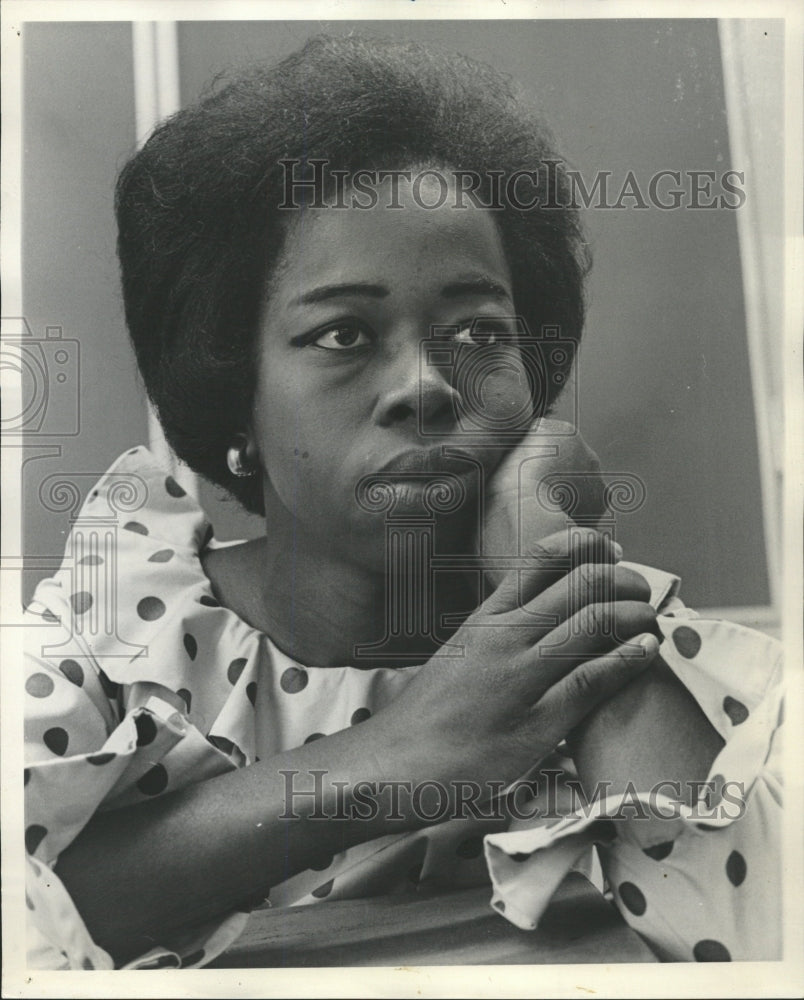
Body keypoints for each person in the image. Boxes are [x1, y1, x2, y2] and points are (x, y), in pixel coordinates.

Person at [23, 33, 782, 969]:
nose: (425, 385)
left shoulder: (606, 634)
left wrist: (544, 550)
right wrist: (403, 752)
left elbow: (757, 949)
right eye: (343, 333)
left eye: (478, 330)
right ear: (237, 393)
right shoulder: (113, 641)